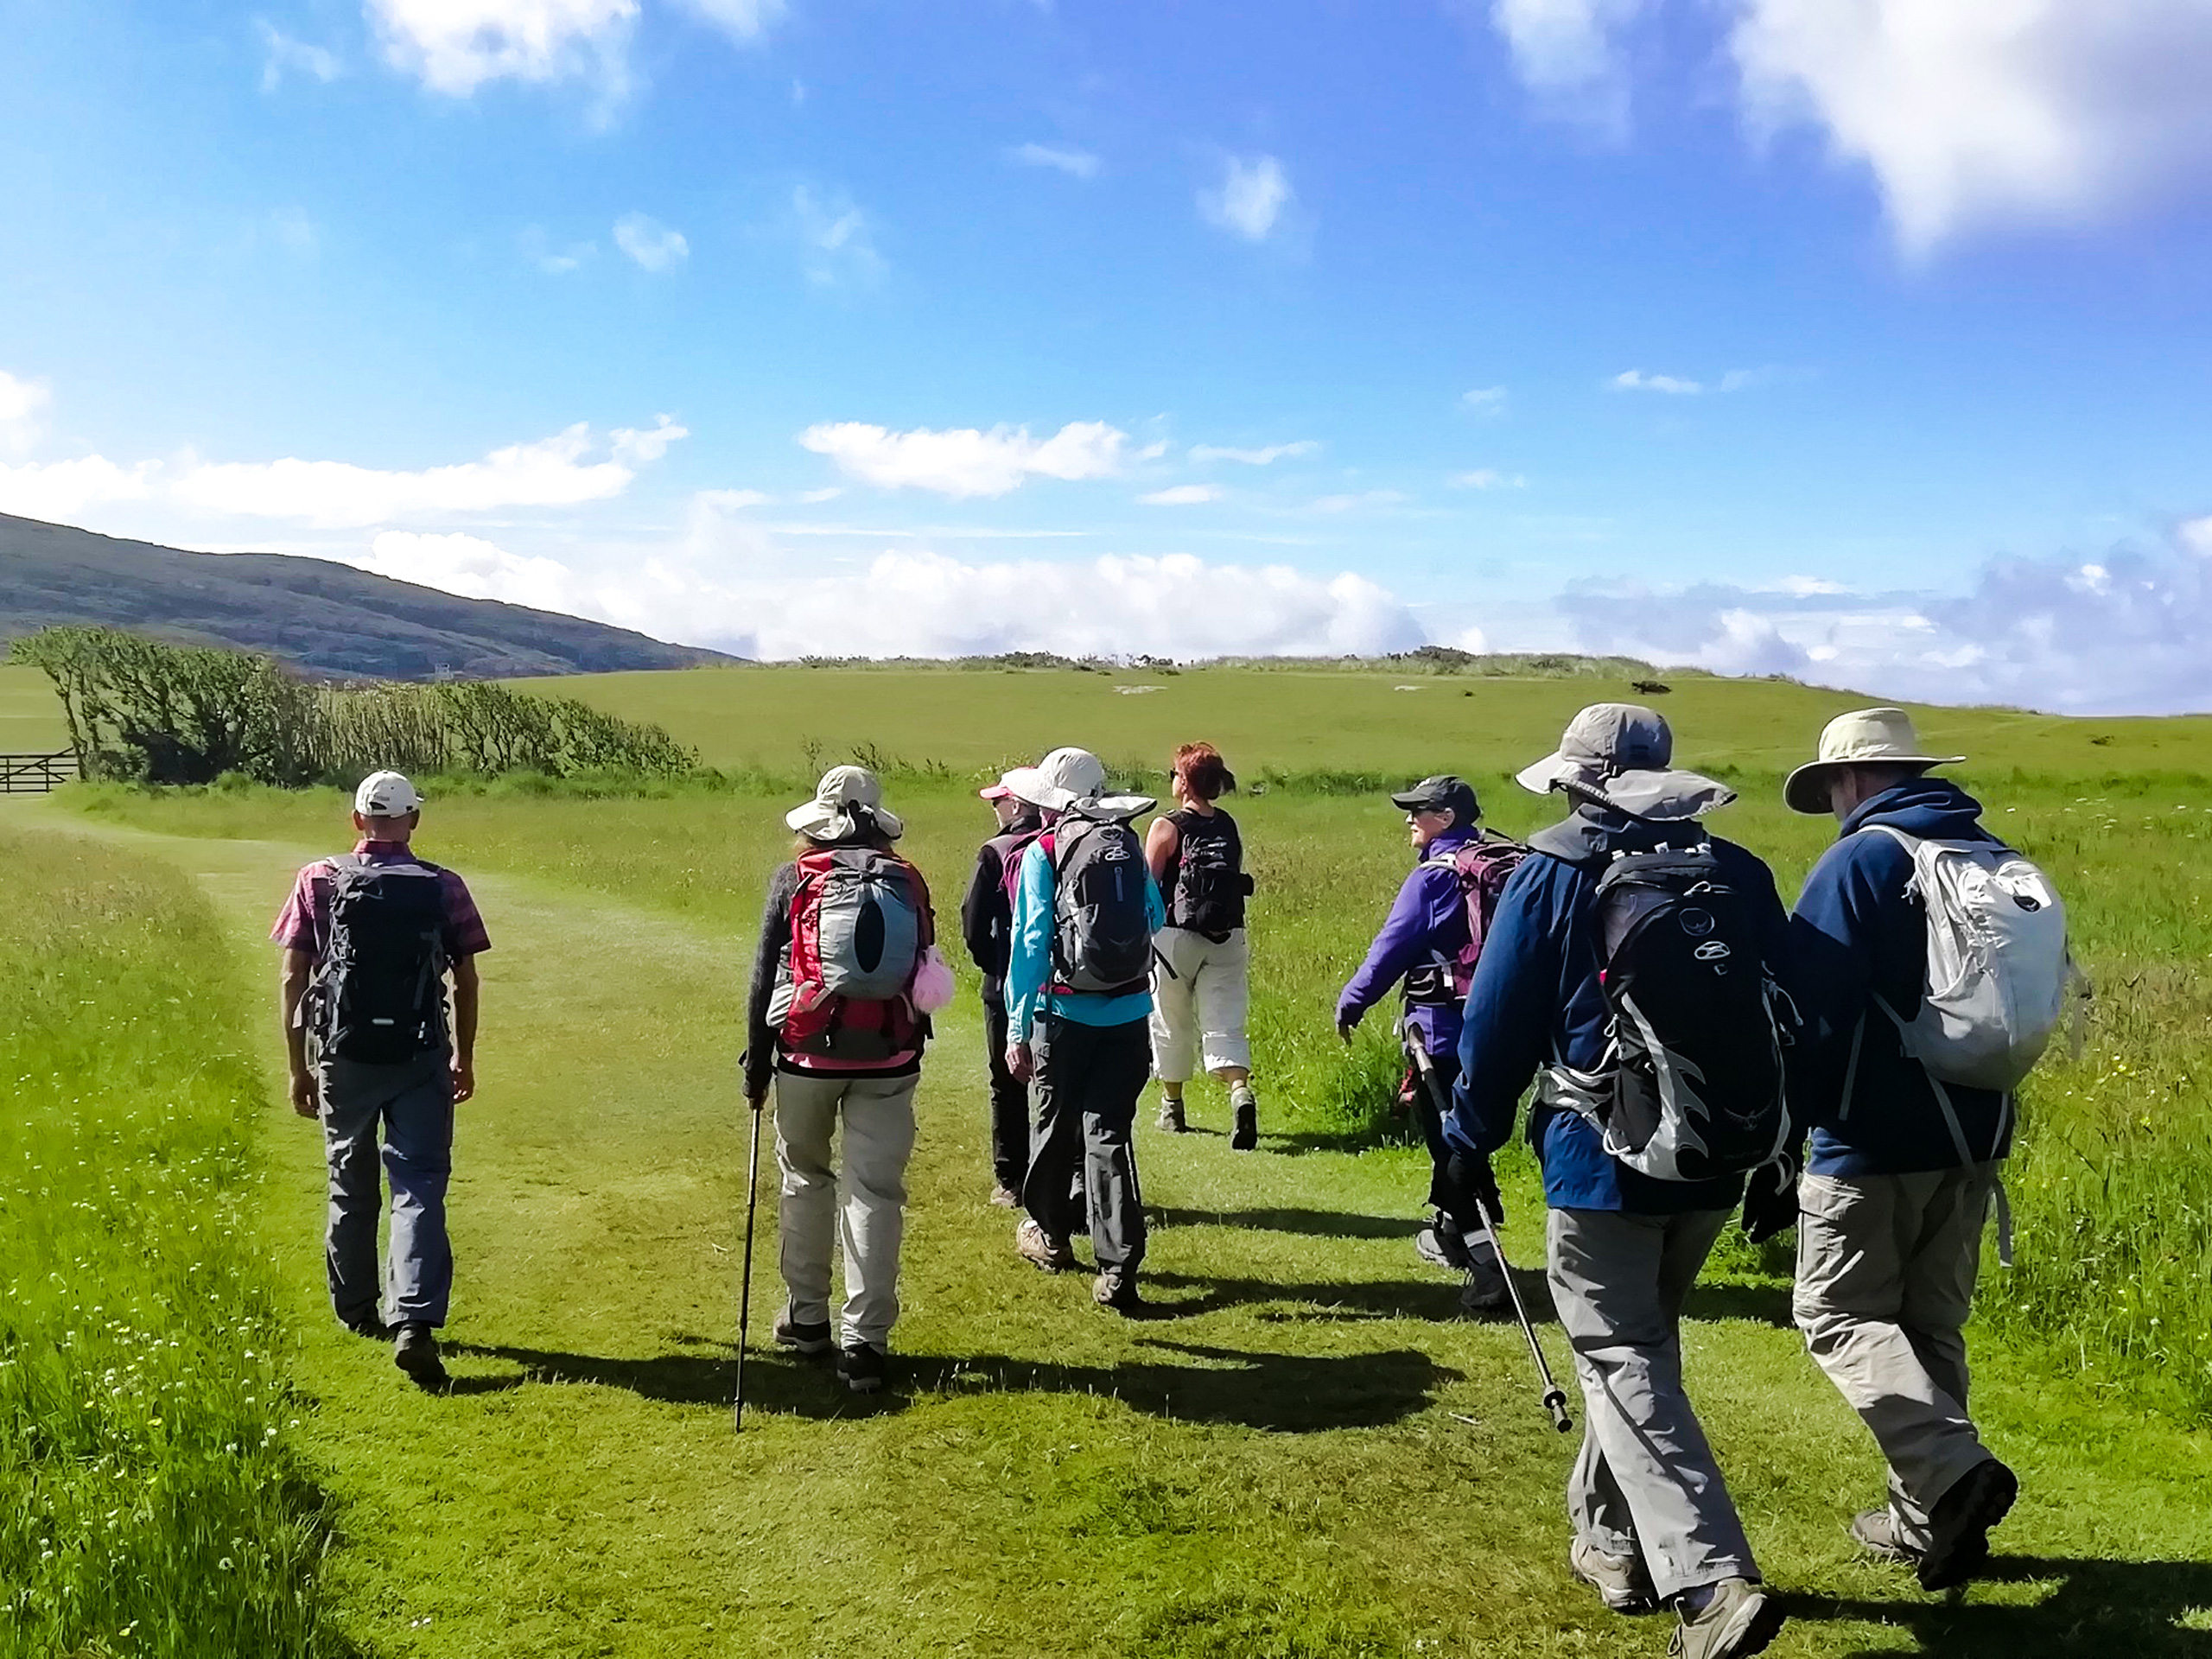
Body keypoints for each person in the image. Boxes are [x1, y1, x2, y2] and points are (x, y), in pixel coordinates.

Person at [1445, 706, 1789, 1659]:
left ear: (1580, 779)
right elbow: (1791, 1014)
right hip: (1717, 1156)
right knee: (1633, 1353)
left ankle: (1711, 1580)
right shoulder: (1738, 872)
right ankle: (1607, 1542)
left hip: (1597, 1159)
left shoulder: (1554, 872)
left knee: (1622, 1356)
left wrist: (1465, 1139)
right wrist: (1782, 1156)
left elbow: (1497, 1024)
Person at [1781, 708, 2022, 1590]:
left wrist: (1785, 1133)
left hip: (1869, 1136)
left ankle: (1954, 1474)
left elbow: (1807, 1012)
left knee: (1836, 1315)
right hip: (1979, 1127)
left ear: (1848, 781)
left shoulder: (1863, 860)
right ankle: (1927, 1521)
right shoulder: (1989, 854)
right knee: (1929, 1326)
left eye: (1832, 787)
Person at [273, 770, 489, 1391]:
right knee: (418, 1183)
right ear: (414, 821)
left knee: (350, 1177)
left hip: (344, 1055)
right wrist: (463, 1057)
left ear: (356, 820)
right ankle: (415, 1321)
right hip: (421, 1052)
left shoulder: (318, 879)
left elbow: (294, 978)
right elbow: (465, 981)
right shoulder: (444, 885)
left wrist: (299, 1065)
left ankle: (357, 1310)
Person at [742, 766, 936, 1395]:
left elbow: (762, 972)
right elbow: (927, 967)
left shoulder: (796, 875)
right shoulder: (906, 878)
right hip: (890, 1058)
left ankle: (807, 1320)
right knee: (875, 1193)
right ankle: (866, 1344)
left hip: (805, 1055)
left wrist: (755, 1061)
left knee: (805, 1178)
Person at [1001, 747, 1164, 1314]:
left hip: (1064, 1015)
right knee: (1110, 1137)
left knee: (1052, 1125)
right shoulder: (1125, 843)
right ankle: (1119, 1270)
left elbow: (1030, 942)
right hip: (1129, 1012)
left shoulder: (1045, 850)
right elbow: (1157, 916)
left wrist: (1017, 1026)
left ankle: (1050, 1236)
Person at [1334, 774, 1507, 1306]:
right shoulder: (1502, 867)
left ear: (1447, 817)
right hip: (1502, 1031)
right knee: (1466, 1139)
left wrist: (1352, 1001)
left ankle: (1487, 1267)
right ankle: (1451, 1236)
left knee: (1450, 1145)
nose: (1409, 819)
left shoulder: (1432, 879)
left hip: (1440, 1033)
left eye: (1419, 810)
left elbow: (1393, 948)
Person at [1146, 741, 1259, 1149]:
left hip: (1175, 937)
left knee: (1171, 1020)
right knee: (1225, 1019)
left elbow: (1149, 886)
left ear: (1185, 782)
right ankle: (1239, 1092)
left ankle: (1172, 1107)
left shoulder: (1167, 825)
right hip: (1228, 935)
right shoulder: (1227, 824)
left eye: (1175, 773)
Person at [961, 771, 1046, 1207]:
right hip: (1058, 985)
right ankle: (1064, 1181)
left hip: (1002, 984)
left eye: (998, 801)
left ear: (1015, 805)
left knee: (1006, 1082)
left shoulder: (995, 852)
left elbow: (973, 924)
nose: (994, 809)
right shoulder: (1060, 845)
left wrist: (995, 966)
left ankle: (1011, 1180)